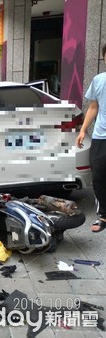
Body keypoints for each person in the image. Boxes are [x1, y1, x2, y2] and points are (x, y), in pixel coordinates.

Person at [76, 43, 106, 233]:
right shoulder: (99, 80)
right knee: (99, 178)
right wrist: (82, 130)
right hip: (101, 135)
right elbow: (94, 107)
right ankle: (104, 215)